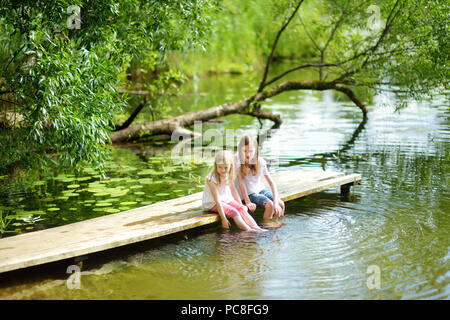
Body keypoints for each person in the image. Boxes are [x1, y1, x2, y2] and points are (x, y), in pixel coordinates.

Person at [202, 149, 268, 232]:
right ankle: (249, 230)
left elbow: (234, 191)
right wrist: (223, 219)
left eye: (225, 168)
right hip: (212, 203)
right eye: (220, 167)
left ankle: (257, 228)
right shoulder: (211, 179)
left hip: (225, 199)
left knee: (241, 209)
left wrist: (241, 205)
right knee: (235, 212)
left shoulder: (228, 174)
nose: (223, 170)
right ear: (216, 166)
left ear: (231, 166)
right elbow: (217, 200)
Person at [235, 136, 285, 220]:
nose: (248, 154)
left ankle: (277, 221)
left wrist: (276, 202)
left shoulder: (260, 162)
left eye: (251, 151)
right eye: (245, 151)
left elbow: (271, 183)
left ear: (256, 151)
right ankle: (267, 224)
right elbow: (241, 183)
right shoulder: (239, 163)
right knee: (270, 205)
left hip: (260, 189)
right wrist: (247, 202)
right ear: (240, 151)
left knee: (281, 203)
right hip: (249, 193)